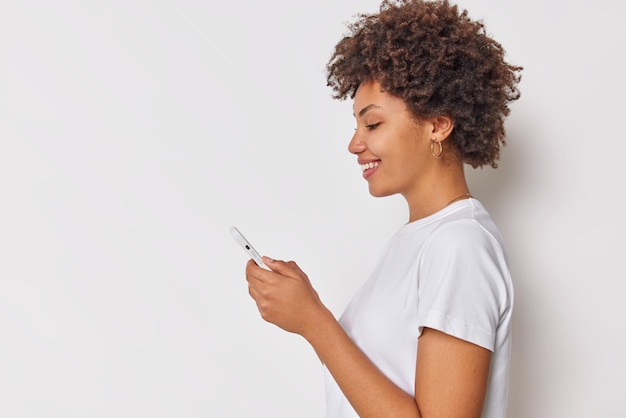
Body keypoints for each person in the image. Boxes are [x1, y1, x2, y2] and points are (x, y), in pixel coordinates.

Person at [244, 0, 522, 416]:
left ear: (438, 124)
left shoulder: (459, 246)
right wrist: (308, 312)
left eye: (372, 124)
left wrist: (314, 322)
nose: (355, 144)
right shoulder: (419, 241)